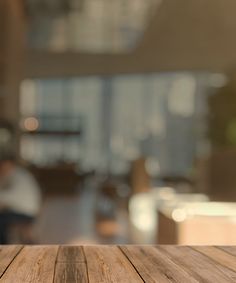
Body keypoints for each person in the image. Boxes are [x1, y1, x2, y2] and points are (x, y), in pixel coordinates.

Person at [0, 151, 41, 244]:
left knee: (1, 221)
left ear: (10, 164)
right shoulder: (19, 173)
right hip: (27, 211)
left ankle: (4, 249)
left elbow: (7, 198)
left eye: (3, 165)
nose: (1, 168)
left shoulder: (16, 175)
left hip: (25, 213)